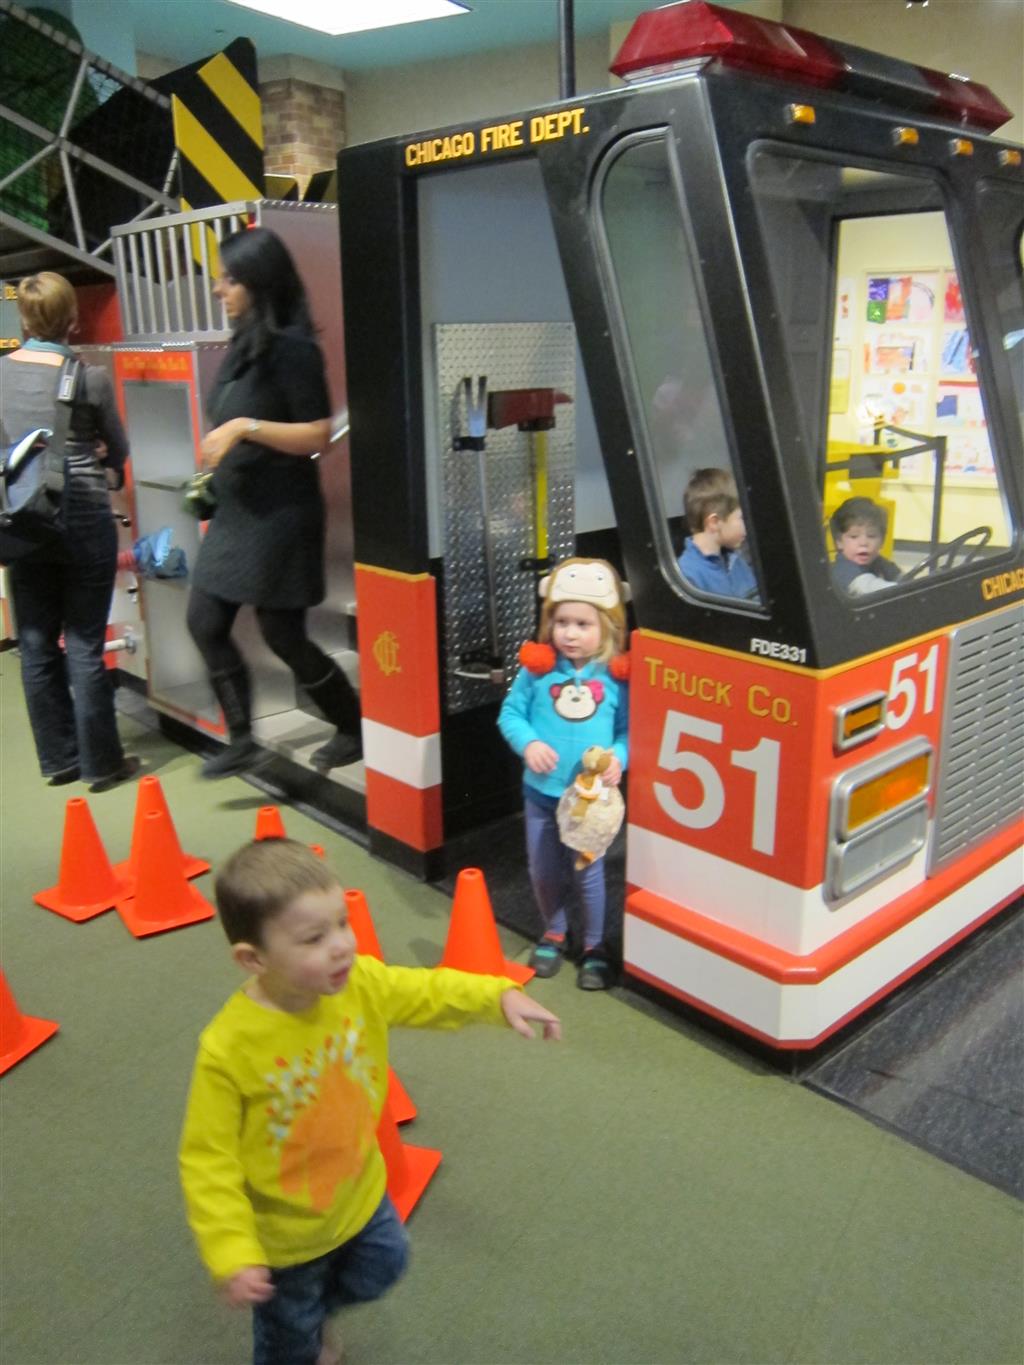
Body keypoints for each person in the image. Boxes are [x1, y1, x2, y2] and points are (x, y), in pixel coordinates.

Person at [179, 838, 560, 1365]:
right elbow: (207, 1160)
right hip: (284, 1237)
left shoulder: (358, 984)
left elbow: (424, 991)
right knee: (289, 1340)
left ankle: (316, 1316)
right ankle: (305, 1332)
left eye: (342, 923)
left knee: (386, 1264)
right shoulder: (228, 1049)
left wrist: (495, 996)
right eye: (314, 938)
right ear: (253, 958)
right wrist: (231, 1252)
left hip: (361, 1193)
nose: (342, 945)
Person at [185, 226, 361, 780]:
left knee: (283, 634)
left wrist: (244, 427)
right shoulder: (245, 344)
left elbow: (318, 435)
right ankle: (242, 739)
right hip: (239, 514)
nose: (219, 289)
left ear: (260, 283)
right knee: (204, 620)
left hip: (281, 517)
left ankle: (352, 724)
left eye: (230, 279)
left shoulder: (294, 349)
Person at [1, 271, 139, 793]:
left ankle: (60, 760)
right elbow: (116, 447)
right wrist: (102, 460)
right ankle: (102, 764)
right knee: (83, 642)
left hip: (23, 517)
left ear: (24, 318)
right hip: (82, 516)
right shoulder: (88, 377)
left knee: (36, 641)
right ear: (72, 319)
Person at [498, 557, 629, 991]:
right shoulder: (537, 671)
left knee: (588, 876)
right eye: (561, 622)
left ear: (607, 627)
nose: (570, 633)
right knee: (543, 871)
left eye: (583, 624)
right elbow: (510, 715)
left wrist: (619, 758)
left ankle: (594, 946)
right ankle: (554, 932)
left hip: (588, 806)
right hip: (540, 796)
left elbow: (629, 731)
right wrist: (529, 744)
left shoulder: (616, 678)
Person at [677, 467, 760, 602]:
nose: (747, 527)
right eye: (742, 518)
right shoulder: (688, 577)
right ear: (714, 522)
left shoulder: (737, 561)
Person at [829, 496, 901, 597]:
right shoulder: (842, 569)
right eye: (854, 536)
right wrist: (903, 589)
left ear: (882, 541)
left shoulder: (880, 563)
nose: (863, 543)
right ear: (839, 542)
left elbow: (902, 578)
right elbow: (868, 587)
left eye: (871, 536)